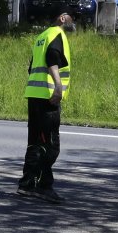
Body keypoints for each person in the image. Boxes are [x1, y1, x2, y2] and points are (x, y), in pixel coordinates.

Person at [18, 10, 73, 204]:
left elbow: (31, 67)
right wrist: (58, 87)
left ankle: (27, 184)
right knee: (50, 145)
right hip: (48, 97)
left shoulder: (41, 37)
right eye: (72, 18)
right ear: (62, 18)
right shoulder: (57, 34)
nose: (74, 22)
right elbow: (52, 59)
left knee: (35, 141)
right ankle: (42, 186)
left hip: (35, 95)